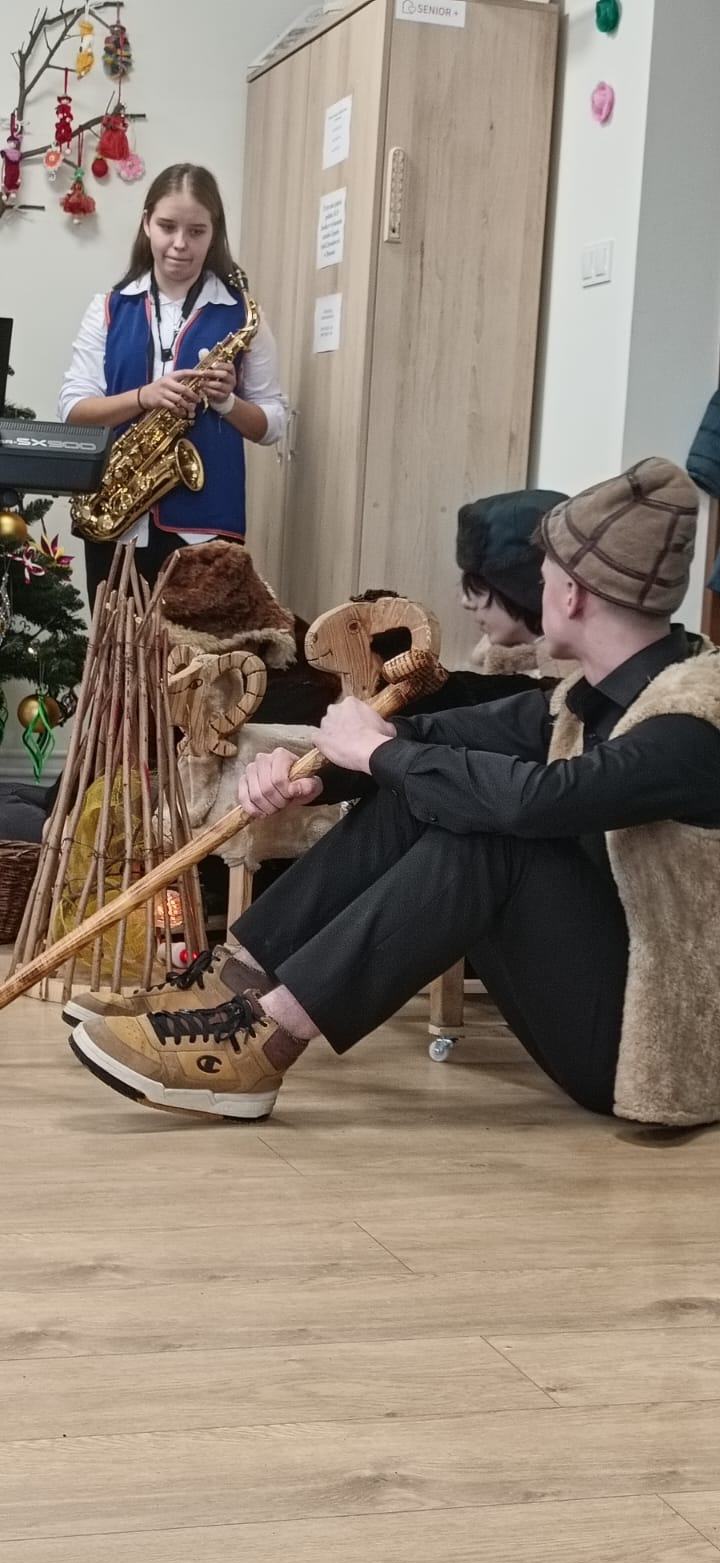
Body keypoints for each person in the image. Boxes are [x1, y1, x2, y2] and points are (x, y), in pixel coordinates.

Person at [69, 457, 720, 1130]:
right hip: (606, 1003)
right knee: (423, 787)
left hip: (664, 1055)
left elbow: (540, 802)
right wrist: (314, 772)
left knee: (492, 835)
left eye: (546, 572)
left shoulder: (695, 721)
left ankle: (263, 1041)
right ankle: (232, 983)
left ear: (572, 594)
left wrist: (378, 752)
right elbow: (427, 736)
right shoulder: (590, 700)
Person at [58, 163, 288, 609]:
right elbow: (73, 407)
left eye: (196, 231)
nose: (180, 244)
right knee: (117, 651)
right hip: (117, 521)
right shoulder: (107, 308)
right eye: (167, 227)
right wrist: (143, 397)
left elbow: (273, 424)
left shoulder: (244, 316)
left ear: (214, 233)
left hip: (207, 529)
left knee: (200, 653)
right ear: (146, 223)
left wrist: (227, 403)